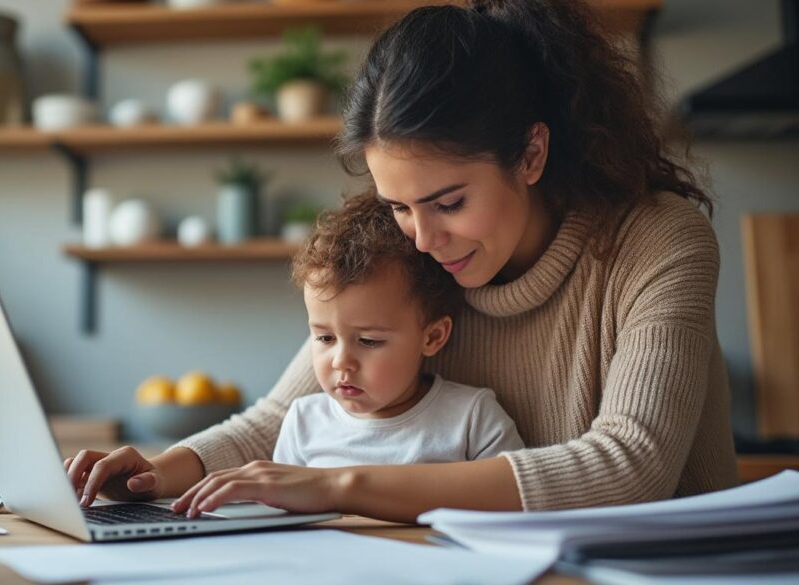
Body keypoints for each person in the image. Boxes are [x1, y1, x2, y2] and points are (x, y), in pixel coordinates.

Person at [65, 0, 738, 522]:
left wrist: (338, 484)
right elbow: (275, 422)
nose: (422, 238)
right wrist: (157, 472)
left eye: (448, 201)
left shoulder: (657, 240)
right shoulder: (418, 263)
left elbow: (629, 466)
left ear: (532, 154)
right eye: (398, 206)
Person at [272, 194, 524, 470]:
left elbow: (514, 501)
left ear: (433, 337)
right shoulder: (302, 422)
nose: (340, 361)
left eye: (368, 341)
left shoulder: (471, 419)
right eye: (324, 338)